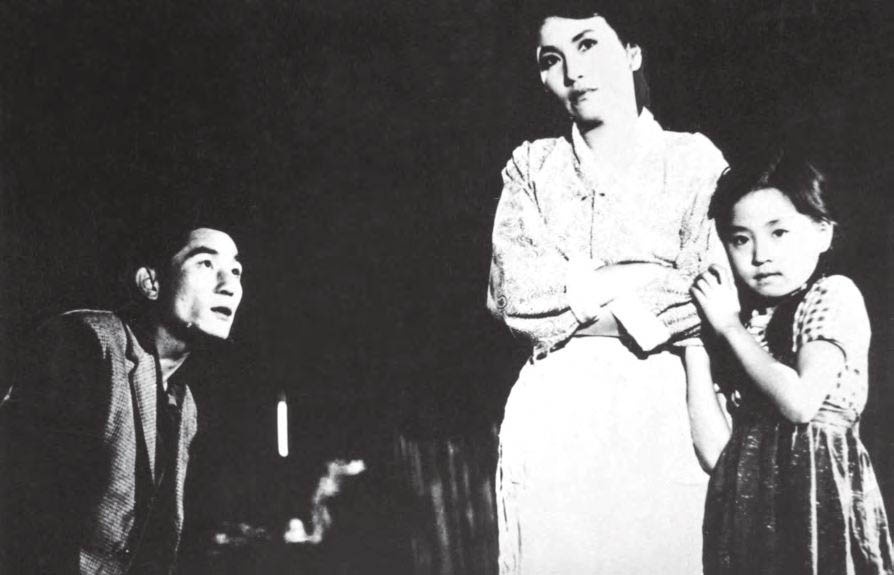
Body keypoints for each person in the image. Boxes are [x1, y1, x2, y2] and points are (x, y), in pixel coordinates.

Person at [486, 1, 729, 572]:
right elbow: (512, 297)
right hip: (554, 417)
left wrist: (573, 287)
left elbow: (706, 297)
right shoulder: (531, 167)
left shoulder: (692, 160)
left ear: (632, 53)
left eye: (588, 45)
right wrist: (645, 277)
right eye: (552, 58)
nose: (573, 71)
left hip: (664, 411)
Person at [691, 150, 894, 574]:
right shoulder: (744, 324)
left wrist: (729, 328)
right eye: (740, 239)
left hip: (819, 500)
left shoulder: (832, 294)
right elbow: (717, 456)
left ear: (822, 233)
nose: (760, 255)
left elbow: (800, 403)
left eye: (779, 232)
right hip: (748, 511)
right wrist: (694, 347)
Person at [0, 225, 244, 574]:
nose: (229, 285)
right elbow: (25, 515)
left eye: (236, 270)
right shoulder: (84, 343)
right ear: (151, 283)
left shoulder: (183, 403)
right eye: (206, 263)